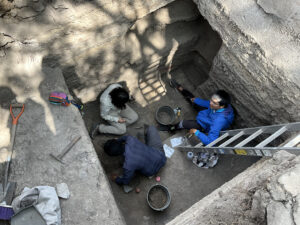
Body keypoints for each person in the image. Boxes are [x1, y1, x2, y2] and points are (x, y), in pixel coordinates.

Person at [169, 79, 234, 145]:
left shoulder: (218, 121)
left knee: (183, 123)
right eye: (211, 100)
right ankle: (181, 89)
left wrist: (196, 132)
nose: (211, 103)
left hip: (206, 125)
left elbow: (211, 142)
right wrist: (196, 100)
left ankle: (172, 128)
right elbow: (208, 103)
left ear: (221, 106)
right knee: (193, 100)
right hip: (208, 114)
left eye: (214, 103)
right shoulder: (222, 104)